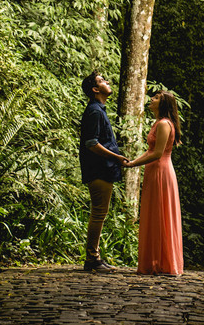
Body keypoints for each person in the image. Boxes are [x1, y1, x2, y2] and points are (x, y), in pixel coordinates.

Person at [124, 89, 184, 275]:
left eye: (156, 98)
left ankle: (163, 262)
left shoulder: (164, 124)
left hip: (161, 172)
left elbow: (158, 153)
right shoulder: (158, 123)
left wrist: (133, 164)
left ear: (163, 104)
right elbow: (150, 151)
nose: (151, 99)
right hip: (153, 171)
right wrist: (133, 162)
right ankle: (154, 261)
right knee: (154, 214)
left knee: (160, 214)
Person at [79, 71, 124, 272]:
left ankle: (95, 257)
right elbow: (91, 143)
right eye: (101, 80)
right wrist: (116, 157)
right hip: (98, 169)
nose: (107, 81)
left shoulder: (99, 110)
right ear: (95, 89)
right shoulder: (95, 111)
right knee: (98, 213)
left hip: (102, 169)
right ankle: (92, 259)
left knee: (100, 213)